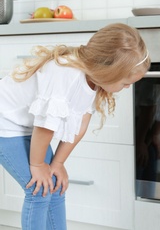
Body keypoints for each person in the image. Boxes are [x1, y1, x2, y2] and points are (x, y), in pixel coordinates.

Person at [0, 23, 150, 230]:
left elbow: (80, 126)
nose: (127, 88)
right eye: (125, 83)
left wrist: (57, 163)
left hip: (29, 128)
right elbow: (45, 126)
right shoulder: (65, 73)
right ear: (107, 70)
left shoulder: (93, 80)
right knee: (39, 190)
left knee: (55, 187)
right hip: (5, 124)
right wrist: (38, 165)